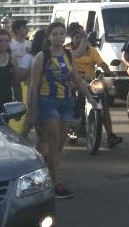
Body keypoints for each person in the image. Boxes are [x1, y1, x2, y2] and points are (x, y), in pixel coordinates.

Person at [25, 21, 96, 199]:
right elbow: (33, 86)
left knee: (59, 144)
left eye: (62, 34)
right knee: (53, 139)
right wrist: (31, 111)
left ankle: (43, 166)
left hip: (66, 102)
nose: (59, 37)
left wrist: (89, 96)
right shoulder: (42, 57)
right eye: (55, 34)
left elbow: (77, 78)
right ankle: (57, 182)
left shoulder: (68, 54)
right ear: (49, 37)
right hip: (47, 101)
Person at [67, 23, 123, 148]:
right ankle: (70, 127)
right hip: (72, 83)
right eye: (77, 37)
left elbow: (102, 64)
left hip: (89, 83)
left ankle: (110, 135)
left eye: (83, 36)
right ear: (72, 38)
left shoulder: (92, 51)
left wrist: (108, 72)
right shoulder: (67, 51)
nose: (81, 39)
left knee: (103, 103)